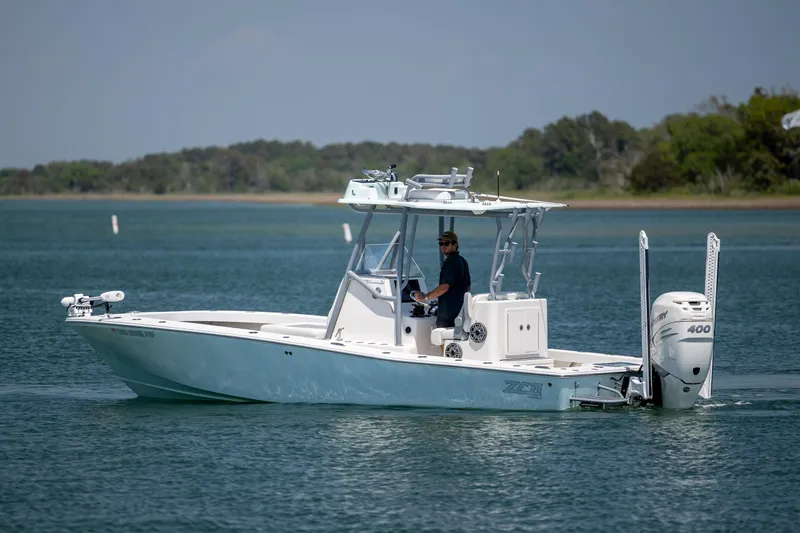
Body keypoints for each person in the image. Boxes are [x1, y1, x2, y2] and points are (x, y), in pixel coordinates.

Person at [414, 231, 471, 328]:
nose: (443, 246)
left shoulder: (450, 263)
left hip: (448, 316)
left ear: (455, 245)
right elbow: (468, 287)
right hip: (460, 314)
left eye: (447, 243)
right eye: (441, 243)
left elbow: (444, 287)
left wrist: (425, 297)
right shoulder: (463, 261)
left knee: (440, 336)